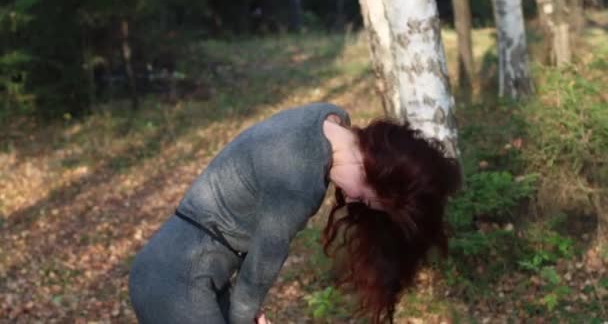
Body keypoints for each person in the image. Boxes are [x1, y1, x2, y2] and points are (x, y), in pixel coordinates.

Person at [128, 102, 461, 324]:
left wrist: (240, 310)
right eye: (371, 201)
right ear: (378, 176)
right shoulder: (300, 181)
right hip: (176, 280)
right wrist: (244, 314)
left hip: (181, 269)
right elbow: (263, 260)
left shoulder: (328, 117)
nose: (358, 204)